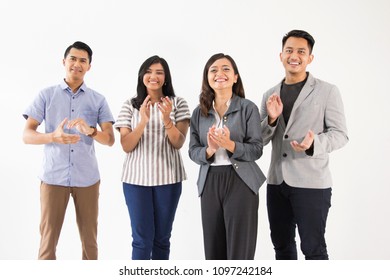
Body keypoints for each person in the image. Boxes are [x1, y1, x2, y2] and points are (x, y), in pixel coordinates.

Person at [260, 30, 349, 260]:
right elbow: (259, 141)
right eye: (289, 50)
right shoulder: (269, 94)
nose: (294, 56)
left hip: (312, 184)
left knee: (313, 249)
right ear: (281, 56)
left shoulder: (327, 91)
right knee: (281, 247)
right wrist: (271, 119)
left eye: (301, 51)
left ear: (310, 58)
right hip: (276, 182)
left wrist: (313, 144)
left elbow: (340, 134)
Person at [22, 41, 115, 260]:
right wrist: (51, 137)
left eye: (83, 60)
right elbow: (27, 134)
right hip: (53, 177)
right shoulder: (46, 95)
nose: (77, 64)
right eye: (72, 59)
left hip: (87, 179)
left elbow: (110, 139)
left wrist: (90, 130)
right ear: (64, 62)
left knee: (90, 245)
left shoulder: (98, 99)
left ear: (89, 66)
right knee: (47, 244)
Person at [189, 53, 266, 260]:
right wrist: (211, 149)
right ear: (207, 77)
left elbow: (257, 149)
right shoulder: (199, 112)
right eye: (213, 70)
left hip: (241, 180)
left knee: (239, 250)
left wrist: (229, 144)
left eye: (225, 69)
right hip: (210, 181)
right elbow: (193, 151)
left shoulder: (247, 108)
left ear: (235, 77)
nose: (219, 74)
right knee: (213, 250)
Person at [115, 55, 190, 260]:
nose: (153, 76)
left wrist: (167, 120)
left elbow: (178, 142)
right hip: (136, 180)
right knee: (141, 240)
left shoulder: (178, 103)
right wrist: (142, 121)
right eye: (148, 72)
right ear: (142, 76)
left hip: (169, 179)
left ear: (166, 77)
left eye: (159, 72)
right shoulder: (130, 105)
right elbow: (126, 145)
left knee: (162, 239)